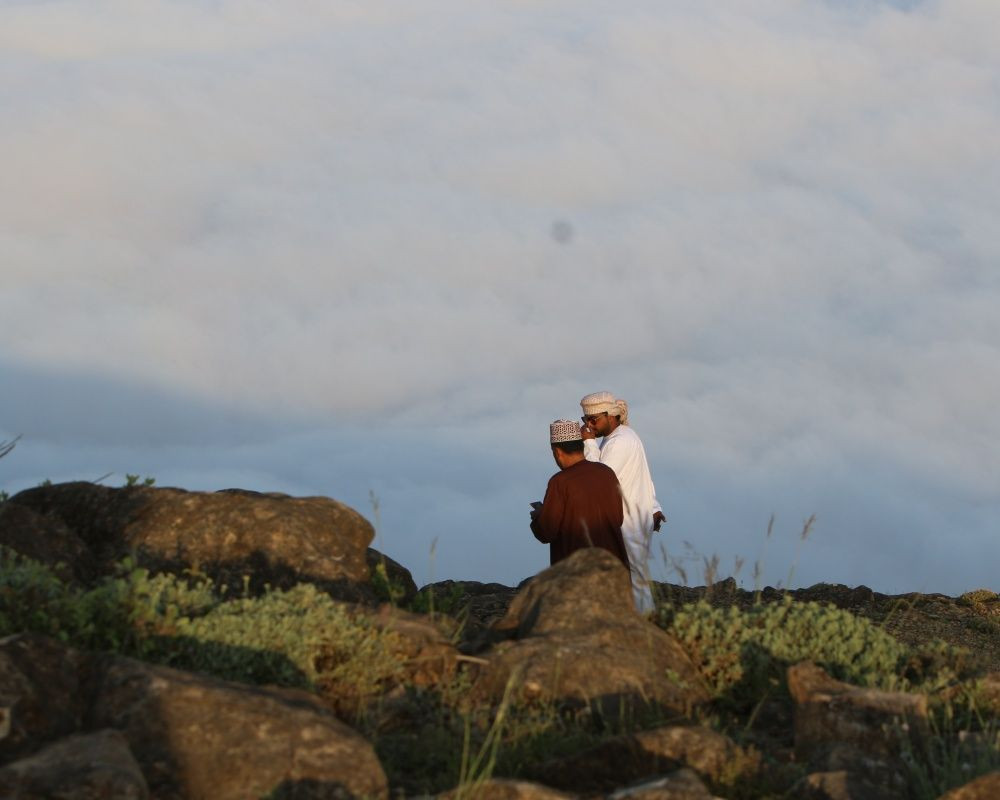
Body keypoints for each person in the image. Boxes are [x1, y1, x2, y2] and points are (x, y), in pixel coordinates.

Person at [579, 392, 665, 612]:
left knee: (633, 578)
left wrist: (589, 444)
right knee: (635, 577)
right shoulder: (624, 437)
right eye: (586, 420)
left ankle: (644, 626)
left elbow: (597, 477)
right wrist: (655, 507)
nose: (589, 425)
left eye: (594, 420)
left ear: (610, 416)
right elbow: (644, 476)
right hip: (636, 517)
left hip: (629, 522)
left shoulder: (620, 442)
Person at [530, 419, 630, 572]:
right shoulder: (607, 473)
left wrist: (539, 516)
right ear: (581, 446)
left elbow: (546, 531)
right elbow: (618, 518)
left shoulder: (560, 482)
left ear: (557, 452)